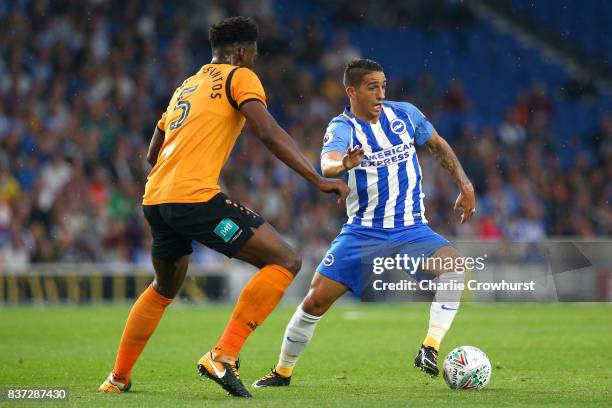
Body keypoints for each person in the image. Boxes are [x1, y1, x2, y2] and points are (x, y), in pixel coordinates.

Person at [98, 16, 349, 398]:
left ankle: (118, 378)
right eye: (254, 56)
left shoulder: (187, 86)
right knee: (285, 261)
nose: (254, 63)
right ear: (244, 52)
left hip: (156, 199)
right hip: (193, 198)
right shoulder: (239, 76)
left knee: (163, 288)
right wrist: (316, 178)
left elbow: (152, 153)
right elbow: (268, 131)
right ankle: (223, 355)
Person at [253, 59, 476, 388]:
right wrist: (343, 163)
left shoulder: (404, 115)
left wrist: (465, 185)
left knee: (454, 267)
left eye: (383, 86)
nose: (380, 94)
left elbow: (438, 145)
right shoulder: (342, 127)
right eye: (373, 87)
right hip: (363, 233)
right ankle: (282, 372)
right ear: (352, 91)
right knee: (315, 300)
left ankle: (429, 347)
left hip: (412, 230)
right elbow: (327, 163)